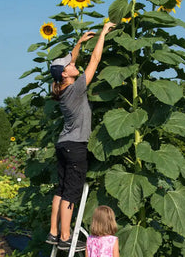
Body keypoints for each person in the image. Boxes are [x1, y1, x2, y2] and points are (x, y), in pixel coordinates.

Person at [47, 22, 115, 252]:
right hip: (75, 147)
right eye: (71, 65)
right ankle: (65, 236)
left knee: (61, 190)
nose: (75, 63)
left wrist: (78, 44)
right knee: (72, 193)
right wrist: (102, 34)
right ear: (66, 74)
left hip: (63, 144)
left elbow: (69, 63)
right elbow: (94, 61)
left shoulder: (62, 86)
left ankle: (53, 232)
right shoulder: (76, 89)